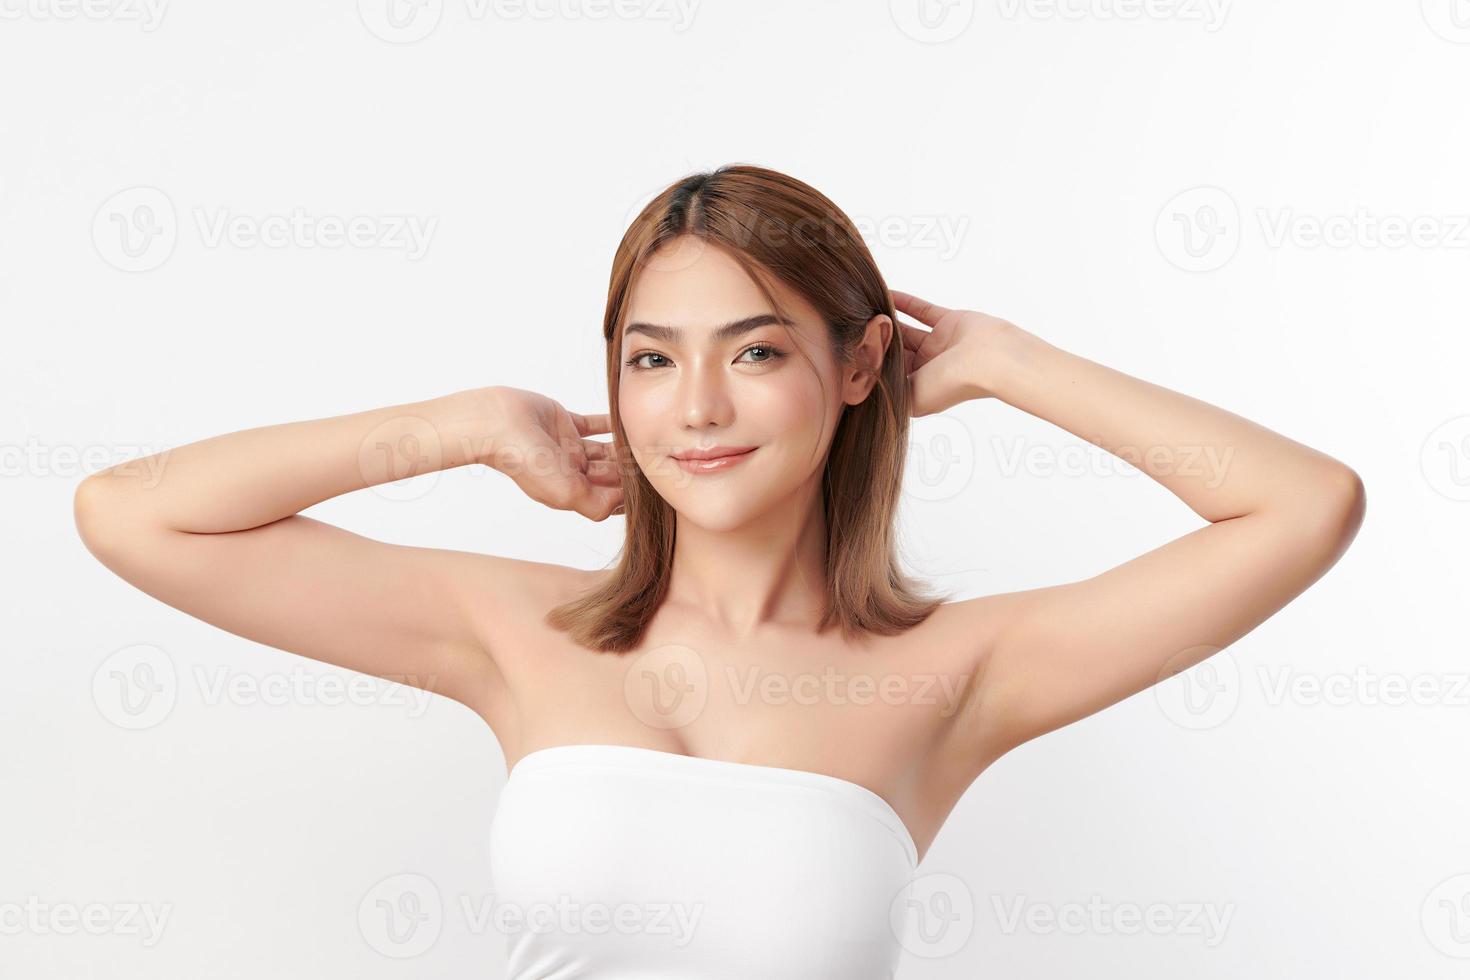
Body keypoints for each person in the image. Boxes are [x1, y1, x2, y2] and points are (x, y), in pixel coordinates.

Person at [72, 164, 1366, 977]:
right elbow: (131, 514)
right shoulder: (517, 631)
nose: (695, 406)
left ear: (856, 370)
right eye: (650, 358)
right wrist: (453, 427)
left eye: (752, 352)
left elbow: (1303, 506)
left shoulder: (955, 676)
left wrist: (1008, 363)